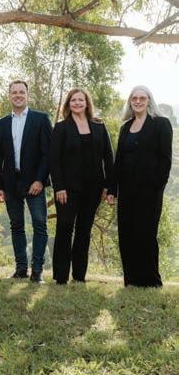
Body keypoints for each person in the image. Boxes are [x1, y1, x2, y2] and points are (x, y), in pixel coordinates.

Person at [50, 89, 114, 285]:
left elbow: (108, 157)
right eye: (73, 100)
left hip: (94, 189)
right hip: (67, 190)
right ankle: (61, 276)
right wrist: (59, 187)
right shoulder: (61, 127)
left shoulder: (99, 126)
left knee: (84, 231)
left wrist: (108, 186)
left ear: (87, 103)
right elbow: (54, 160)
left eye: (81, 100)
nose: (77, 103)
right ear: (68, 104)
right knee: (64, 228)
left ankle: (79, 275)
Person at [0, 80, 52, 283]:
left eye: (21, 92)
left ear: (27, 95)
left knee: (39, 224)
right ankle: (21, 269)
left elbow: (47, 154)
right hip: (10, 183)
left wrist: (40, 180)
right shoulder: (1, 123)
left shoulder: (41, 119)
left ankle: (37, 271)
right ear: (9, 96)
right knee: (16, 225)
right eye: (14, 92)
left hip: (34, 183)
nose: (18, 95)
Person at [113, 86, 172, 287]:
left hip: (150, 191)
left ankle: (151, 281)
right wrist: (112, 189)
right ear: (130, 102)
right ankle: (131, 280)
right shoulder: (125, 127)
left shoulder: (161, 124)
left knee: (146, 234)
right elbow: (118, 161)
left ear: (149, 101)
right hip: (126, 190)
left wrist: (158, 187)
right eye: (134, 98)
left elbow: (165, 159)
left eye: (142, 98)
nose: (138, 101)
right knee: (126, 234)